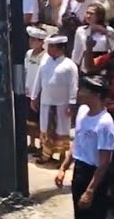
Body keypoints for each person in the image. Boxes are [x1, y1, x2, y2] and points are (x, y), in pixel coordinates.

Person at [56, 75, 114, 219]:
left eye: (84, 89)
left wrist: (90, 191)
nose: (80, 92)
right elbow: (77, 142)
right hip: (80, 171)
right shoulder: (82, 113)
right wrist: (64, 167)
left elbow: (104, 163)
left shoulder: (105, 124)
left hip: (95, 177)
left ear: (96, 94)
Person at [31, 34, 79, 165]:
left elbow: (73, 85)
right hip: (46, 102)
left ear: (60, 48)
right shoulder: (45, 61)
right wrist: (34, 97)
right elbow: (38, 79)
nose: (49, 49)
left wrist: (72, 103)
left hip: (62, 104)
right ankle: (46, 154)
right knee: (45, 129)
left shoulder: (69, 65)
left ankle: (63, 157)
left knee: (61, 130)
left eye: (52, 46)